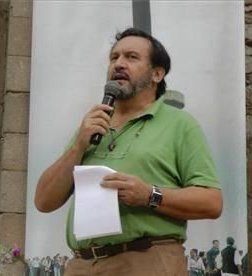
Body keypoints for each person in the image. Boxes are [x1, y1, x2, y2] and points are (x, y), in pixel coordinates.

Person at [35, 27, 222, 276]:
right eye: (114, 57)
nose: (119, 64)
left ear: (157, 73)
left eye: (131, 57)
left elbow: (211, 202)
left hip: (147, 262)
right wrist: (79, 145)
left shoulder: (180, 125)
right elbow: (44, 201)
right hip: (81, 264)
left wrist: (150, 195)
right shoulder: (93, 124)